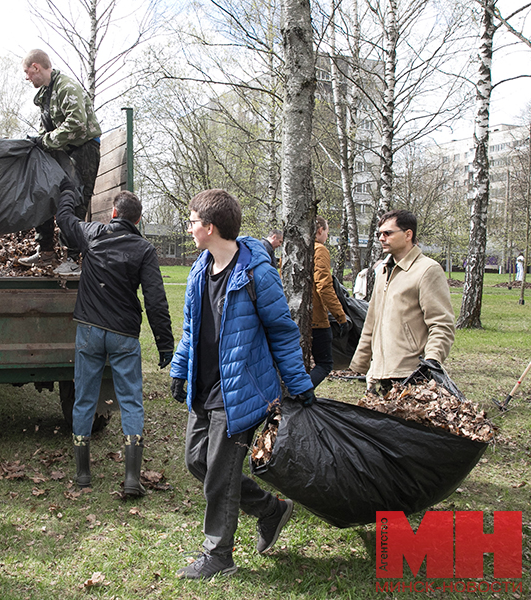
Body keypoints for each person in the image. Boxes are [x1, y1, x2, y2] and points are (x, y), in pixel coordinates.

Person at [169, 189, 314, 580]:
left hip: (241, 391)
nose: (189, 227)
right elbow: (191, 329)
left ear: (210, 227)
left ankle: (219, 554)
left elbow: (283, 332)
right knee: (197, 461)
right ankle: (270, 509)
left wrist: (298, 383)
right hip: (204, 386)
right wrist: (180, 370)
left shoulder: (257, 272)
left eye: (192, 221)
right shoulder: (200, 268)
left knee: (219, 474)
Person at [55, 181, 174, 496]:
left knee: (84, 399)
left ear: (114, 213)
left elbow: (65, 221)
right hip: (123, 335)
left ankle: (82, 476)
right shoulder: (145, 250)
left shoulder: (92, 234)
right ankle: (132, 480)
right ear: (137, 220)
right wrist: (165, 344)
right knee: (132, 401)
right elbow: (155, 300)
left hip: (90, 331)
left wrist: (68, 194)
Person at [349, 209, 455, 392]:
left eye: (387, 233)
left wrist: (431, 362)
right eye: (379, 234)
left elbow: (441, 324)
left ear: (408, 234)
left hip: (411, 373)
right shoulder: (383, 271)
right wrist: (361, 363)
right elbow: (372, 321)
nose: (382, 238)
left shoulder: (428, 270)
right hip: (381, 372)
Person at [18, 49, 102, 275]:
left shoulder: (66, 87)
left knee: (75, 200)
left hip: (83, 148)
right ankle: (45, 252)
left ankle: (73, 258)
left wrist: (45, 140)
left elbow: (77, 123)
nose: (27, 78)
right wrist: (37, 140)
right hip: (61, 150)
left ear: (36, 67)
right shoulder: (46, 94)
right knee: (43, 192)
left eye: (27, 72)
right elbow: (45, 127)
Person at [311, 216, 348, 387]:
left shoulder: (295, 248)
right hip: (316, 319)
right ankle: (299, 395)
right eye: (327, 231)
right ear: (320, 230)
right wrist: (340, 316)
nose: (326, 236)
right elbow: (324, 286)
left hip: (294, 316)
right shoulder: (319, 250)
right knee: (325, 364)